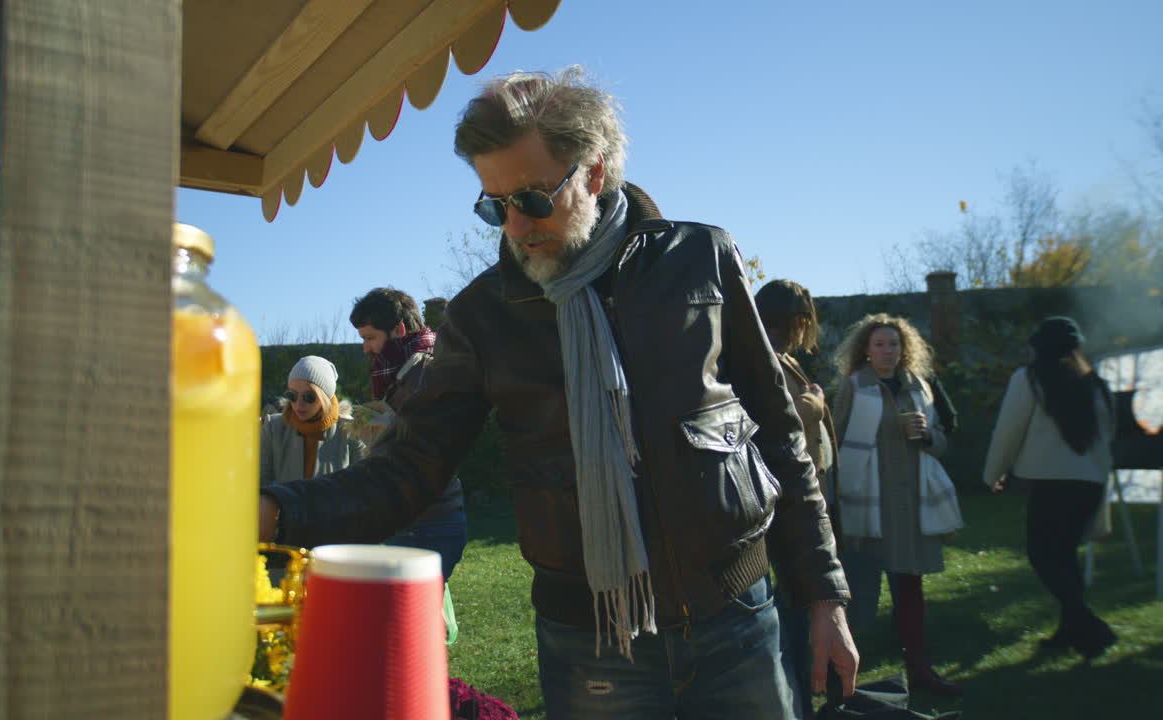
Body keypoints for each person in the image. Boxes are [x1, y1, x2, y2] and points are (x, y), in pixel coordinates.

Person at [259, 67, 857, 719]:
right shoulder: (484, 314)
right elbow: (410, 466)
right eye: (494, 205)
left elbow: (778, 433)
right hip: (590, 646)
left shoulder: (702, 259)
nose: (514, 226)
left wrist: (825, 596)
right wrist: (277, 510)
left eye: (534, 199)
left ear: (594, 172)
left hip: (737, 618)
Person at [831, 314, 962, 697]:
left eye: (894, 344)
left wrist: (928, 436)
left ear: (905, 349)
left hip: (911, 507)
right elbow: (835, 443)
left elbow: (941, 443)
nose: (888, 351)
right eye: (880, 344)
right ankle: (842, 680)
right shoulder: (855, 388)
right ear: (866, 351)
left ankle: (920, 671)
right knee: (859, 597)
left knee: (911, 593)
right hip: (867, 505)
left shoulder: (919, 386)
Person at [982, 316, 1117, 659]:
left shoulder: (1029, 379)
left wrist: (992, 473)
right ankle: (1071, 633)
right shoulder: (1095, 384)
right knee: (1065, 557)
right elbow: (1107, 439)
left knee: (1043, 555)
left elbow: (1008, 431)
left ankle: (1090, 627)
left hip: (1051, 483)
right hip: (1089, 484)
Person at [755, 278, 839, 718]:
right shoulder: (759, 356)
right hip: (782, 504)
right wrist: (813, 405)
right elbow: (765, 420)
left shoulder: (784, 357)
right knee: (790, 610)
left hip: (805, 495)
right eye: (799, 320)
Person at [350, 287, 468, 581]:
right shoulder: (401, 371)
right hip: (410, 516)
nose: (366, 348)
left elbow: (426, 447)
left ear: (398, 330)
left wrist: (378, 429)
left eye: (370, 337)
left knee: (408, 619)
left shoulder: (426, 370)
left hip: (430, 521)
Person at [259, 355, 365, 489]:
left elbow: (361, 487)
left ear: (325, 398)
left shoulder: (351, 431)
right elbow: (262, 485)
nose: (299, 403)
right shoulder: (272, 427)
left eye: (309, 397)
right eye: (292, 395)